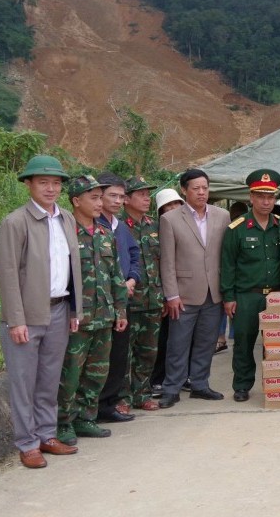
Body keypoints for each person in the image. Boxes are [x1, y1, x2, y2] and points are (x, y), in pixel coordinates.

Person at [0, 155, 83, 469]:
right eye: (43, 182)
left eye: (56, 183)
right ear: (29, 185)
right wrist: (15, 320)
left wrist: (75, 309)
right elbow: (7, 273)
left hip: (59, 310)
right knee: (23, 383)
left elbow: (74, 267)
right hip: (27, 316)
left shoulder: (66, 219)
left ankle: (47, 435)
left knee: (49, 379)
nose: (50, 188)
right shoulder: (15, 222)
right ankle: (28, 443)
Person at [57, 176, 128, 444]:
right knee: (71, 374)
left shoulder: (105, 233)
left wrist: (120, 310)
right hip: (78, 317)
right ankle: (63, 422)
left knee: (97, 372)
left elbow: (116, 275)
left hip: (104, 315)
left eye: (101, 197)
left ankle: (86, 417)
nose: (100, 203)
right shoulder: (65, 234)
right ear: (76, 201)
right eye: (94, 198)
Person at [157, 168, 230, 409]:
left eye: (205, 188)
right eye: (196, 188)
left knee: (206, 342)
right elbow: (167, 261)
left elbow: (226, 256)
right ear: (184, 190)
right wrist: (171, 294)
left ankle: (200, 384)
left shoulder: (222, 215)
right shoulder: (170, 219)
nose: (201, 192)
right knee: (178, 343)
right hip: (184, 293)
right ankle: (172, 388)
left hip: (214, 291)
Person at [220, 169, 280, 402]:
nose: (266, 202)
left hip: (276, 295)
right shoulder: (237, 229)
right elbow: (227, 265)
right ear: (251, 197)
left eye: (270, 197)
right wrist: (229, 297)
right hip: (247, 296)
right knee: (244, 343)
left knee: (277, 343)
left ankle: (277, 383)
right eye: (261, 196)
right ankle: (242, 385)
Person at [95, 172, 140, 424]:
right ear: (98, 195)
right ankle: (93, 407)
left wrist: (132, 279)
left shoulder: (120, 226)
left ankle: (108, 404)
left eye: (121, 197)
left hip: (122, 301)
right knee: (98, 358)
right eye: (112, 195)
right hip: (100, 302)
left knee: (119, 355)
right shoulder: (92, 225)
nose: (118, 201)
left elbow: (134, 255)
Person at [120, 176, 164, 412]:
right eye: (141, 194)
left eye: (148, 194)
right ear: (126, 199)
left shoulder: (153, 225)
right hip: (129, 301)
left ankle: (142, 394)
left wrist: (164, 295)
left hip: (153, 299)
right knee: (125, 353)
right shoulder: (117, 226)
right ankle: (123, 398)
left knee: (148, 352)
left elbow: (162, 262)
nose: (147, 199)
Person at [149, 188, 185, 396]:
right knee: (163, 340)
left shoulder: (189, 226)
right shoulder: (155, 230)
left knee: (183, 339)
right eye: (167, 206)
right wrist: (166, 294)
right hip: (162, 293)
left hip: (186, 291)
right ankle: (158, 379)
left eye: (176, 204)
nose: (172, 208)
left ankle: (183, 377)